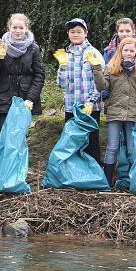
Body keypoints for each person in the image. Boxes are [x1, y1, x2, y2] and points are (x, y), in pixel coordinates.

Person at [98, 37, 136, 188]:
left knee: (132, 149)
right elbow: (102, 86)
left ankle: (134, 181)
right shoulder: (111, 67)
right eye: (125, 50)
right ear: (120, 51)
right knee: (112, 147)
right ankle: (107, 182)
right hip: (115, 112)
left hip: (134, 114)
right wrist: (96, 70)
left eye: (131, 50)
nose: (128, 53)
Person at [54, 18, 107, 163]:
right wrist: (63, 66)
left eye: (79, 31)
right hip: (71, 107)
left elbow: (100, 82)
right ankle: (73, 174)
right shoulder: (66, 54)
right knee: (72, 142)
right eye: (72, 32)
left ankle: (93, 175)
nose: (75, 34)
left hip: (90, 107)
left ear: (86, 33)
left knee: (91, 141)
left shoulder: (93, 53)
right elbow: (61, 84)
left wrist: (91, 101)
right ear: (68, 34)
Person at [0, 13, 45, 127]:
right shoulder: (1, 45)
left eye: (21, 28)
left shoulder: (34, 48)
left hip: (25, 98)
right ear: (9, 28)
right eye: (14, 27)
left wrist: (31, 98)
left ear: (26, 28)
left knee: (20, 136)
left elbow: (39, 75)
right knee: (6, 133)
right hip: (5, 98)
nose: (17, 31)